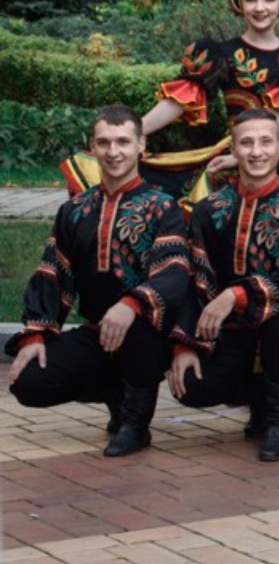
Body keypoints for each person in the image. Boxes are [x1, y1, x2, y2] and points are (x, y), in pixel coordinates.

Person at [10, 106, 191, 457]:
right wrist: (36, 334)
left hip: (151, 335)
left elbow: (174, 271)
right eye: (104, 142)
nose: (113, 151)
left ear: (141, 145)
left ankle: (135, 425)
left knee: (139, 326)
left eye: (123, 142)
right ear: (92, 146)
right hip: (98, 334)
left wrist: (131, 304)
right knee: (30, 381)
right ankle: (114, 392)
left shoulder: (163, 207)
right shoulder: (75, 210)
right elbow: (54, 273)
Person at [63, 0, 279, 203]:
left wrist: (242, 155)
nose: (260, 8)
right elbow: (178, 102)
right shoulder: (219, 54)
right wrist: (130, 134)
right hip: (237, 148)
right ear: (239, 2)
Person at [168, 109, 279, 462]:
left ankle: (277, 422)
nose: (257, 152)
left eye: (265, 142)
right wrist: (184, 345)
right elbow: (195, 279)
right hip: (230, 330)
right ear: (233, 150)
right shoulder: (209, 209)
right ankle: (256, 398)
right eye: (247, 143)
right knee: (191, 387)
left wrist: (235, 294)